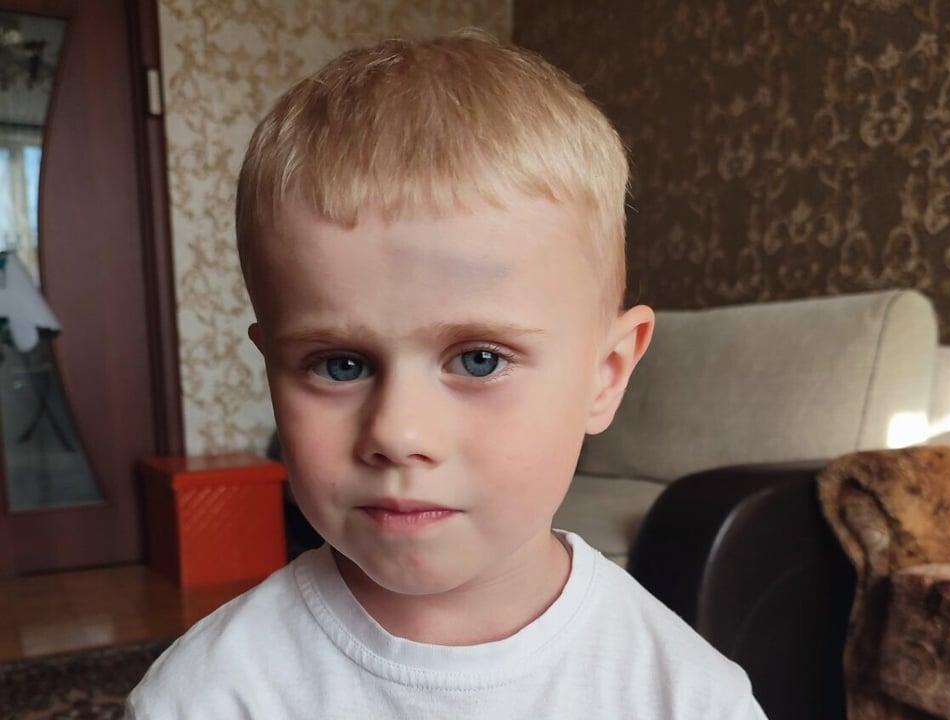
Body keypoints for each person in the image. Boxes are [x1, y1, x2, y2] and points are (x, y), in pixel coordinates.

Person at [126, 32, 768, 719]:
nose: (398, 434)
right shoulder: (208, 696)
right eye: (340, 365)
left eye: (479, 359)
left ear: (605, 375)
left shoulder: (689, 697)